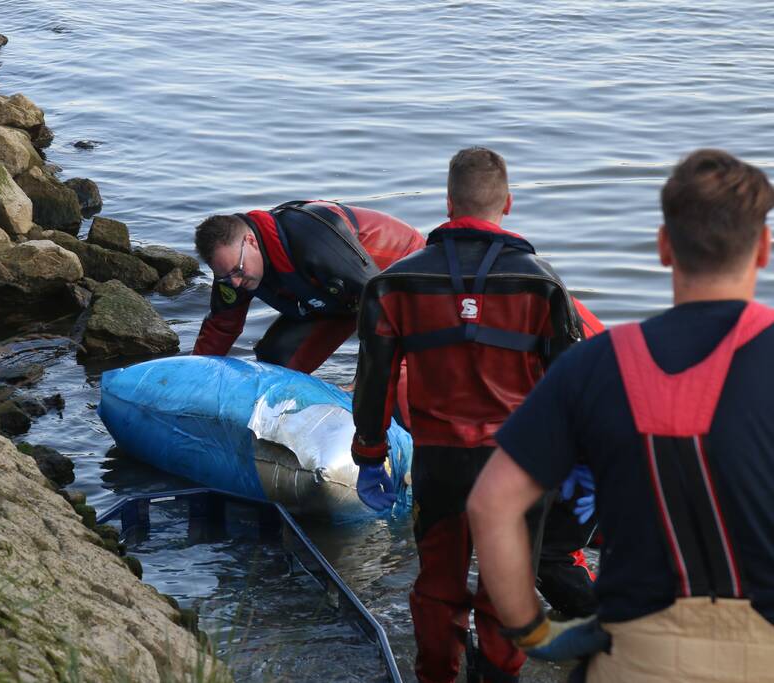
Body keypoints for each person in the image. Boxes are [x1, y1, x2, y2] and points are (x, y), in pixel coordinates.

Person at [468, 149, 774, 682]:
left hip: (636, 654)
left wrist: (533, 632)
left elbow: (491, 505)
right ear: (764, 249)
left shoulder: (595, 365)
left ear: (663, 247)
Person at [350, 147, 603, 683]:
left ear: (448, 203)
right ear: (507, 203)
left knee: (437, 586)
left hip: (440, 464)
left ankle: (438, 674)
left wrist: (370, 454)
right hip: (518, 469)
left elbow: (373, 381)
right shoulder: (543, 283)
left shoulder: (393, 283)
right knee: (505, 587)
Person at [192, 200, 426, 373]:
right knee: (275, 361)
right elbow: (221, 327)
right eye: (224, 277)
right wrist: (193, 376)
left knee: (389, 382)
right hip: (336, 297)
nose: (234, 282)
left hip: (398, 279)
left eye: (237, 271)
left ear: (251, 241)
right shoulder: (233, 268)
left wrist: (364, 379)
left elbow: (381, 305)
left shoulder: (312, 239)